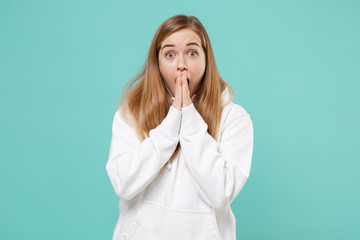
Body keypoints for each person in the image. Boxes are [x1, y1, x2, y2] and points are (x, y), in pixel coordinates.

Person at [106, 14, 254, 240]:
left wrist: (190, 119)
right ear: (157, 62)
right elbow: (123, 184)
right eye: (170, 54)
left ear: (206, 59)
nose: (181, 65)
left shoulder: (234, 118)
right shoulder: (131, 113)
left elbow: (221, 192)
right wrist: (173, 119)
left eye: (192, 53)